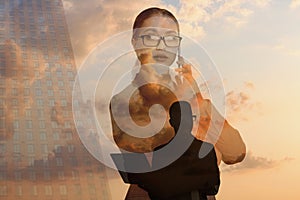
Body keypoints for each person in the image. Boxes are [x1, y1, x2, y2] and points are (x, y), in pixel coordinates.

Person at [109, 7, 246, 200]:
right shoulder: (123, 102)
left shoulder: (192, 96)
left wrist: (197, 99)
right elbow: (158, 173)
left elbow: (235, 152)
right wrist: (212, 152)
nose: (162, 46)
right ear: (135, 42)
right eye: (151, 37)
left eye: (171, 38)